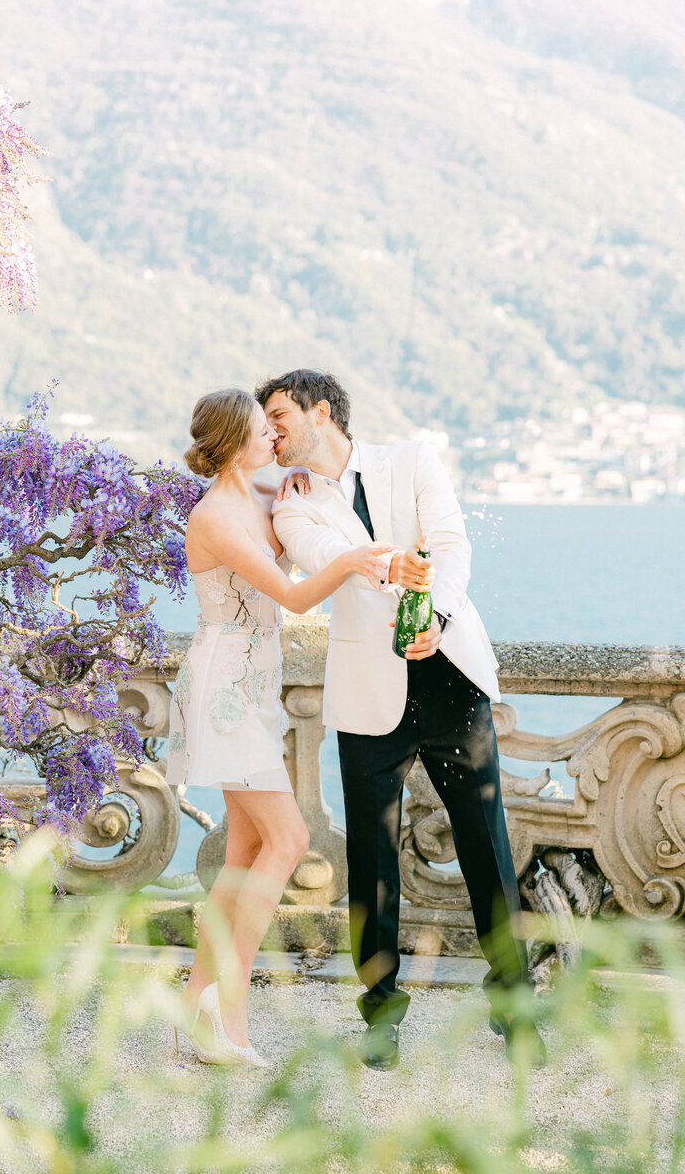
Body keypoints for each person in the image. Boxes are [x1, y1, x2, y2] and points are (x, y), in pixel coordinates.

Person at [256, 368, 544, 1070]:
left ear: (323, 410)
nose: (273, 430)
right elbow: (325, 559)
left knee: (487, 850)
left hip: (450, 680)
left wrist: (436, 617)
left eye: (281, 414)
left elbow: (451, 544)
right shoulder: (292, 507)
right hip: (366, 695)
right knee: (373, 863)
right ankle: (380, 1014)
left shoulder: (411, 459)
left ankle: (516, 1005)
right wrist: (390, 570)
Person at [166, 387, 394, 1067]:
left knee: (242, 855)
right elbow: (292, 595)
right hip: (222, 691)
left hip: (255, 687)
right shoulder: (213, 517)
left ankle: (193, 1013)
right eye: (262, 429)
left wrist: (300, 492)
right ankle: (225, 1014)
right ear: (235, 440)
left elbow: (296, 529)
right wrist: (351, 560)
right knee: (289, 839)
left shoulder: (264, 498)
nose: (273, 436)